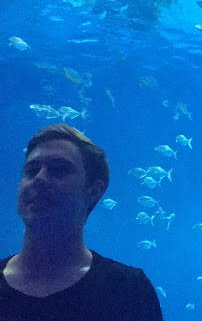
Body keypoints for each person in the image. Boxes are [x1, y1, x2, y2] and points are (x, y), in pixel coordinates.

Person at [0, 124, 163, 321]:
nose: (39, 178)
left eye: (59, 170)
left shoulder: (129, 291)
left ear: (93, 192)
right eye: (32, 170)